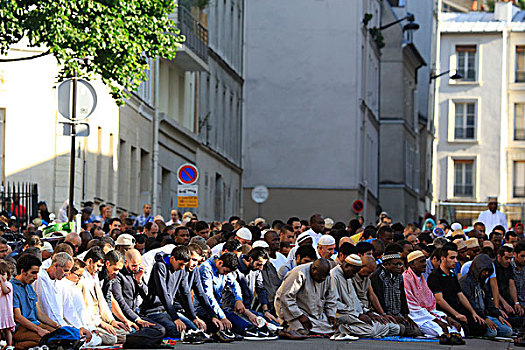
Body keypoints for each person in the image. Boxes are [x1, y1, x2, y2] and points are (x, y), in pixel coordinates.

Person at [140, 246, 205, 340]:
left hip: (169, 311)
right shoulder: (160, 266)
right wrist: (175, 318)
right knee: (177, 331)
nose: (182, 268)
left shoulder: (181, 270)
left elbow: (185, 293)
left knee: (195, 329)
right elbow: (163, 294)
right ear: (172, 258)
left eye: (184, 265)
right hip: (155, 310)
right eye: (180, 264)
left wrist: (193, 317)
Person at [331, 254, 401, 339]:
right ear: (346, 265)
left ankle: (371, 329)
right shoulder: (334, 275)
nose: (354, 275)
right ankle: (341, 329)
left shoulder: (348, 276)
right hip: (342, 314)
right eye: (353, 272)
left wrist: (368, 312)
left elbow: (355, 300)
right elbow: (334, 303)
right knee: (371, 330)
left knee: (395, 328)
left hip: (355, 313)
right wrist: (358, 315)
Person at [427, 244, 487, 336]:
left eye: (456, 258)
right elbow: (439, 300)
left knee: (480, 326)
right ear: (443, 258)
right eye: (452, 258)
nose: (455, 261)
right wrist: (456, 315)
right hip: (445, 312)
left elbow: (460, 295)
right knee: (464, 330)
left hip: (457, 309)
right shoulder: (435, 276)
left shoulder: (452, 276)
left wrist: (473, 312)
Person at [111, 249, 166, 348]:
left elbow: (146, 296)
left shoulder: (135, 274)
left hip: (135, 314)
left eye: (138, 265)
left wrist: (139, 281)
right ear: (126, 263)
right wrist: (137, 319)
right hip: (123, 316)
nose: (136, 268)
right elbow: (120, 301)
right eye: (134, 265)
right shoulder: (118, 275)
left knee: (160, 330)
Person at [403, 251, 463, 338]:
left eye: (424, 261)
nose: (425, 264)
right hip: (417, 317)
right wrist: (436, 320)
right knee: (438, 329)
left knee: (457, 329)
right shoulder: (406, 278)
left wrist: (446, 318)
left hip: (428, 315)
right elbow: (412, 306)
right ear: (412, 264)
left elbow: (431, 305)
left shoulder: (422, 279)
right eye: (421, 262)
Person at [275, 259, 337, 339]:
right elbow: (286, 297)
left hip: (314, 314)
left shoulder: (326, 276)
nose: (323, 279)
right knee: (302, 330)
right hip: (293, 312)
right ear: (314, 269)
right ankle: (285, 330)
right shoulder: (298, 273)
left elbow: (330, 297)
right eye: (321, 276)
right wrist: (300, 315)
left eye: (325, 276)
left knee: (333, 328)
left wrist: (331, 314)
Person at [79, 247, 128, 345]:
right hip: (91, 322)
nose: (100, 269)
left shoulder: (95, 275)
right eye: (98, 266)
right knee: (111, 339)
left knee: (126, 334)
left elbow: (102, 301)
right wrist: (101, 323)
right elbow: (83, 309)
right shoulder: (80, 278)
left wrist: (111, 321)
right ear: (89, 262)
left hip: (100, 319)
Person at [224, 247, 277, 337]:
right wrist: (248, 314)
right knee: (252, 329)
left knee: (274, 326)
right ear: (250, 259)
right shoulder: (235, 268)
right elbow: (230, 295)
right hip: (232, 309)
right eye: (259, 264)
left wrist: (266, 311)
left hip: (248, 310)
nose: (261, 268)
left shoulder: (256, 270)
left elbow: (260, 289)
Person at [459, 254, 513, 338]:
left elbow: (488, 302)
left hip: (485, 314)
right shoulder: (465, 282)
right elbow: (471, 304)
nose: (486, 273)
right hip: (474, 316)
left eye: (488, 271)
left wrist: (498, 315)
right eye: (484, 271)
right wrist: (485, 318)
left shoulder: (481, 282)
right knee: (492, 332)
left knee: (507, 331)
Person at [12, 253, 59, 349]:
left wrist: (57, 326)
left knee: (60, 336)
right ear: (22, 271)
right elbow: (18, 317)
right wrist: (39, 330)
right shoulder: (12, 287)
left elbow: (39, 314)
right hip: (21, 328)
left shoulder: (29, 286)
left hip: (35, 324)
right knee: (48, 341)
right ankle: (17, 345)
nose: (36, 277)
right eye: (33, 273)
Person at [370, 252, 419, 334]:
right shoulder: (378, 276)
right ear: (386, 264)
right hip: (384, 313)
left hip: (397, 314)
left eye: (400, 264)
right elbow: (379, 298)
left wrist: (406, 315)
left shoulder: (399, 276)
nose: (400, 267)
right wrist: (389, 315)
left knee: (416, 330)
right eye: (396, 264)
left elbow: (403, 297)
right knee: (401, 329)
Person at [60, 258, 101, 347]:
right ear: (69, 273)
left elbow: (82, 311)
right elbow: (70, 312)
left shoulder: (75, 286)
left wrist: (91, 327)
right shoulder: (64, 286)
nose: (79, 278)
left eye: (81, 276)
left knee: (98, 339)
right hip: (72, 325)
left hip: (83, 324)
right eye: (78, 275)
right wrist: (80, 328)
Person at [494, 245, 524, 317]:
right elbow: (494, 288)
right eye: (506, 258)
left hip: (507, 298)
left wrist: (516, 302)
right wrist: (504, 303)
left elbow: (511, 285)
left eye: (510, 258)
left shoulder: (509, 267)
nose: (509, 261)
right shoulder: (493, 267)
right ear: (499, 256)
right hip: (497, 301)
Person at [0, 261, 15, 350]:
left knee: (7, 330)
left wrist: (1, 281)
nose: (1, 276)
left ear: (7, 275)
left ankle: (9, 345)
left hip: (6, 312)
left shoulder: (8, 284)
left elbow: (5, 291)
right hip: (0, 312)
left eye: (3, 274)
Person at [513, 242, 525, 307]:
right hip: (513, 304)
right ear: (515, 254)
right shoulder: (509, 267)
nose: (524, 259)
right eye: (522, 256)